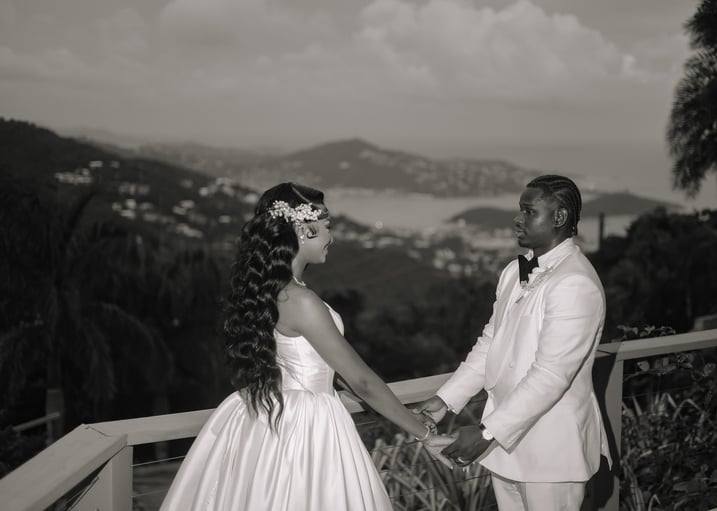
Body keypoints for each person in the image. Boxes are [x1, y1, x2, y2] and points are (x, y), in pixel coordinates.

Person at [160, 182, 449, 511]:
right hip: (307, 426)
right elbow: (363, 382)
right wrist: (424, 433)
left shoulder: (269, 289)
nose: (331, 238)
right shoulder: (301, 300)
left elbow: (317, 362)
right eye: (326, 228)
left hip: (268, 414)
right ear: (303, 230)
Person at [413, 175, 611, 510]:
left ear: (559, 218)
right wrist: (445, 400)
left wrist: (487, 432)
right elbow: (491, 343)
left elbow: (551, 375)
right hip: (506, 449)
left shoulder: (576, 283)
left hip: (550, 453)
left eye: (528, 211)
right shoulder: (511, 273)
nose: (518, 219)